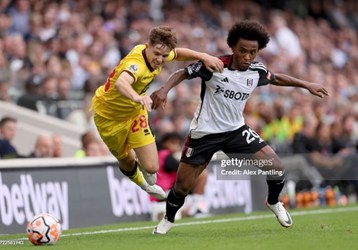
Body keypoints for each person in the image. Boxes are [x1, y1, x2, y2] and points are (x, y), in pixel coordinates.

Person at [151, 20, 329, 234]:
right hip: (204, 133)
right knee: (181, 187)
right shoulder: (215, 65)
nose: (247, 57)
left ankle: (273, 202)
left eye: (252, 52)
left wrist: (307, 85)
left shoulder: (256, 72)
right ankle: (168, 219)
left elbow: (277, 78)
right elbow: (182, 73)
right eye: (242, 51)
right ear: (233, 47)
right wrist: (164, 90)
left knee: (276, 167)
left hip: (235, 131)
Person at [90, 25, 223, 201]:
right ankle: (143, 185)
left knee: (152, 168)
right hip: (108, 118)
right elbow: (121, 83)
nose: (160, 60)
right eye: (157, 54)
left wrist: (203, 56)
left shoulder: (157, 52)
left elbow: (178, 53)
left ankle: (145, 168)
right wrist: (137, 97)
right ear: (147, 46)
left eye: (164, 56)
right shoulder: (136, 64)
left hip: (135, 113)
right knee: (127, 162)